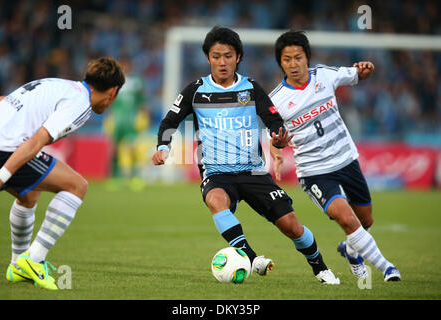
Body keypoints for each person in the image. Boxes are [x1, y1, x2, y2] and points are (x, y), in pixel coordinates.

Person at [152, 26, 340, 284]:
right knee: (216, 201)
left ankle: (320, 267)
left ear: (238, 57)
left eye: (228, 56)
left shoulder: (251, 88)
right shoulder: (194, 90)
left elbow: (273, 119)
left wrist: (279, 135)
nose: (222, 62)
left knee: (291, 226)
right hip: (216, 173)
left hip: (252, 171)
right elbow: (169, 123)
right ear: (207, 58)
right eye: (216, 56)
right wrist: (163, 147)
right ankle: (251, 259)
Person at [269, 30, 401, 282]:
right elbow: (274, 135)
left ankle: (351, 251)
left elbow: (358, 74)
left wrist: (366, 68)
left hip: (346, 160)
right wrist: (276, 153)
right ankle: (387, 268)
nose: (293, 64)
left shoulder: (325, 75)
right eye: (287, 59)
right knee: (347, 219)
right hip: (314, 171)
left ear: (307, 57)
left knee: (365, 219)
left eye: (298, 57)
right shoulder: (276, 100)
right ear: (280, 63)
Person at [0, 57, 125, 290]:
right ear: (113, 92)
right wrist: (0, 178)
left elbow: (4, 101)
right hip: (3, 150)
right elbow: (37, 141)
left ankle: (17, 266)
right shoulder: (80, 105)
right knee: (76, 186)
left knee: (29, 195)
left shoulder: (58, 84)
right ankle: (33, 260)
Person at [103, 57, 148, 192]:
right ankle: (114, 178)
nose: (125, 68)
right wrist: (108, 117)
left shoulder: (137, 82)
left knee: (132, 148)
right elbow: (108, 101)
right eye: (122, 66)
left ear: (130, 66)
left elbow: (141, 101)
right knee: (114, 149)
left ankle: (135, 178)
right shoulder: (113, 82)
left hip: (131, 120)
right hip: (116, 120)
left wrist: (143, 116)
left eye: (127, 65)